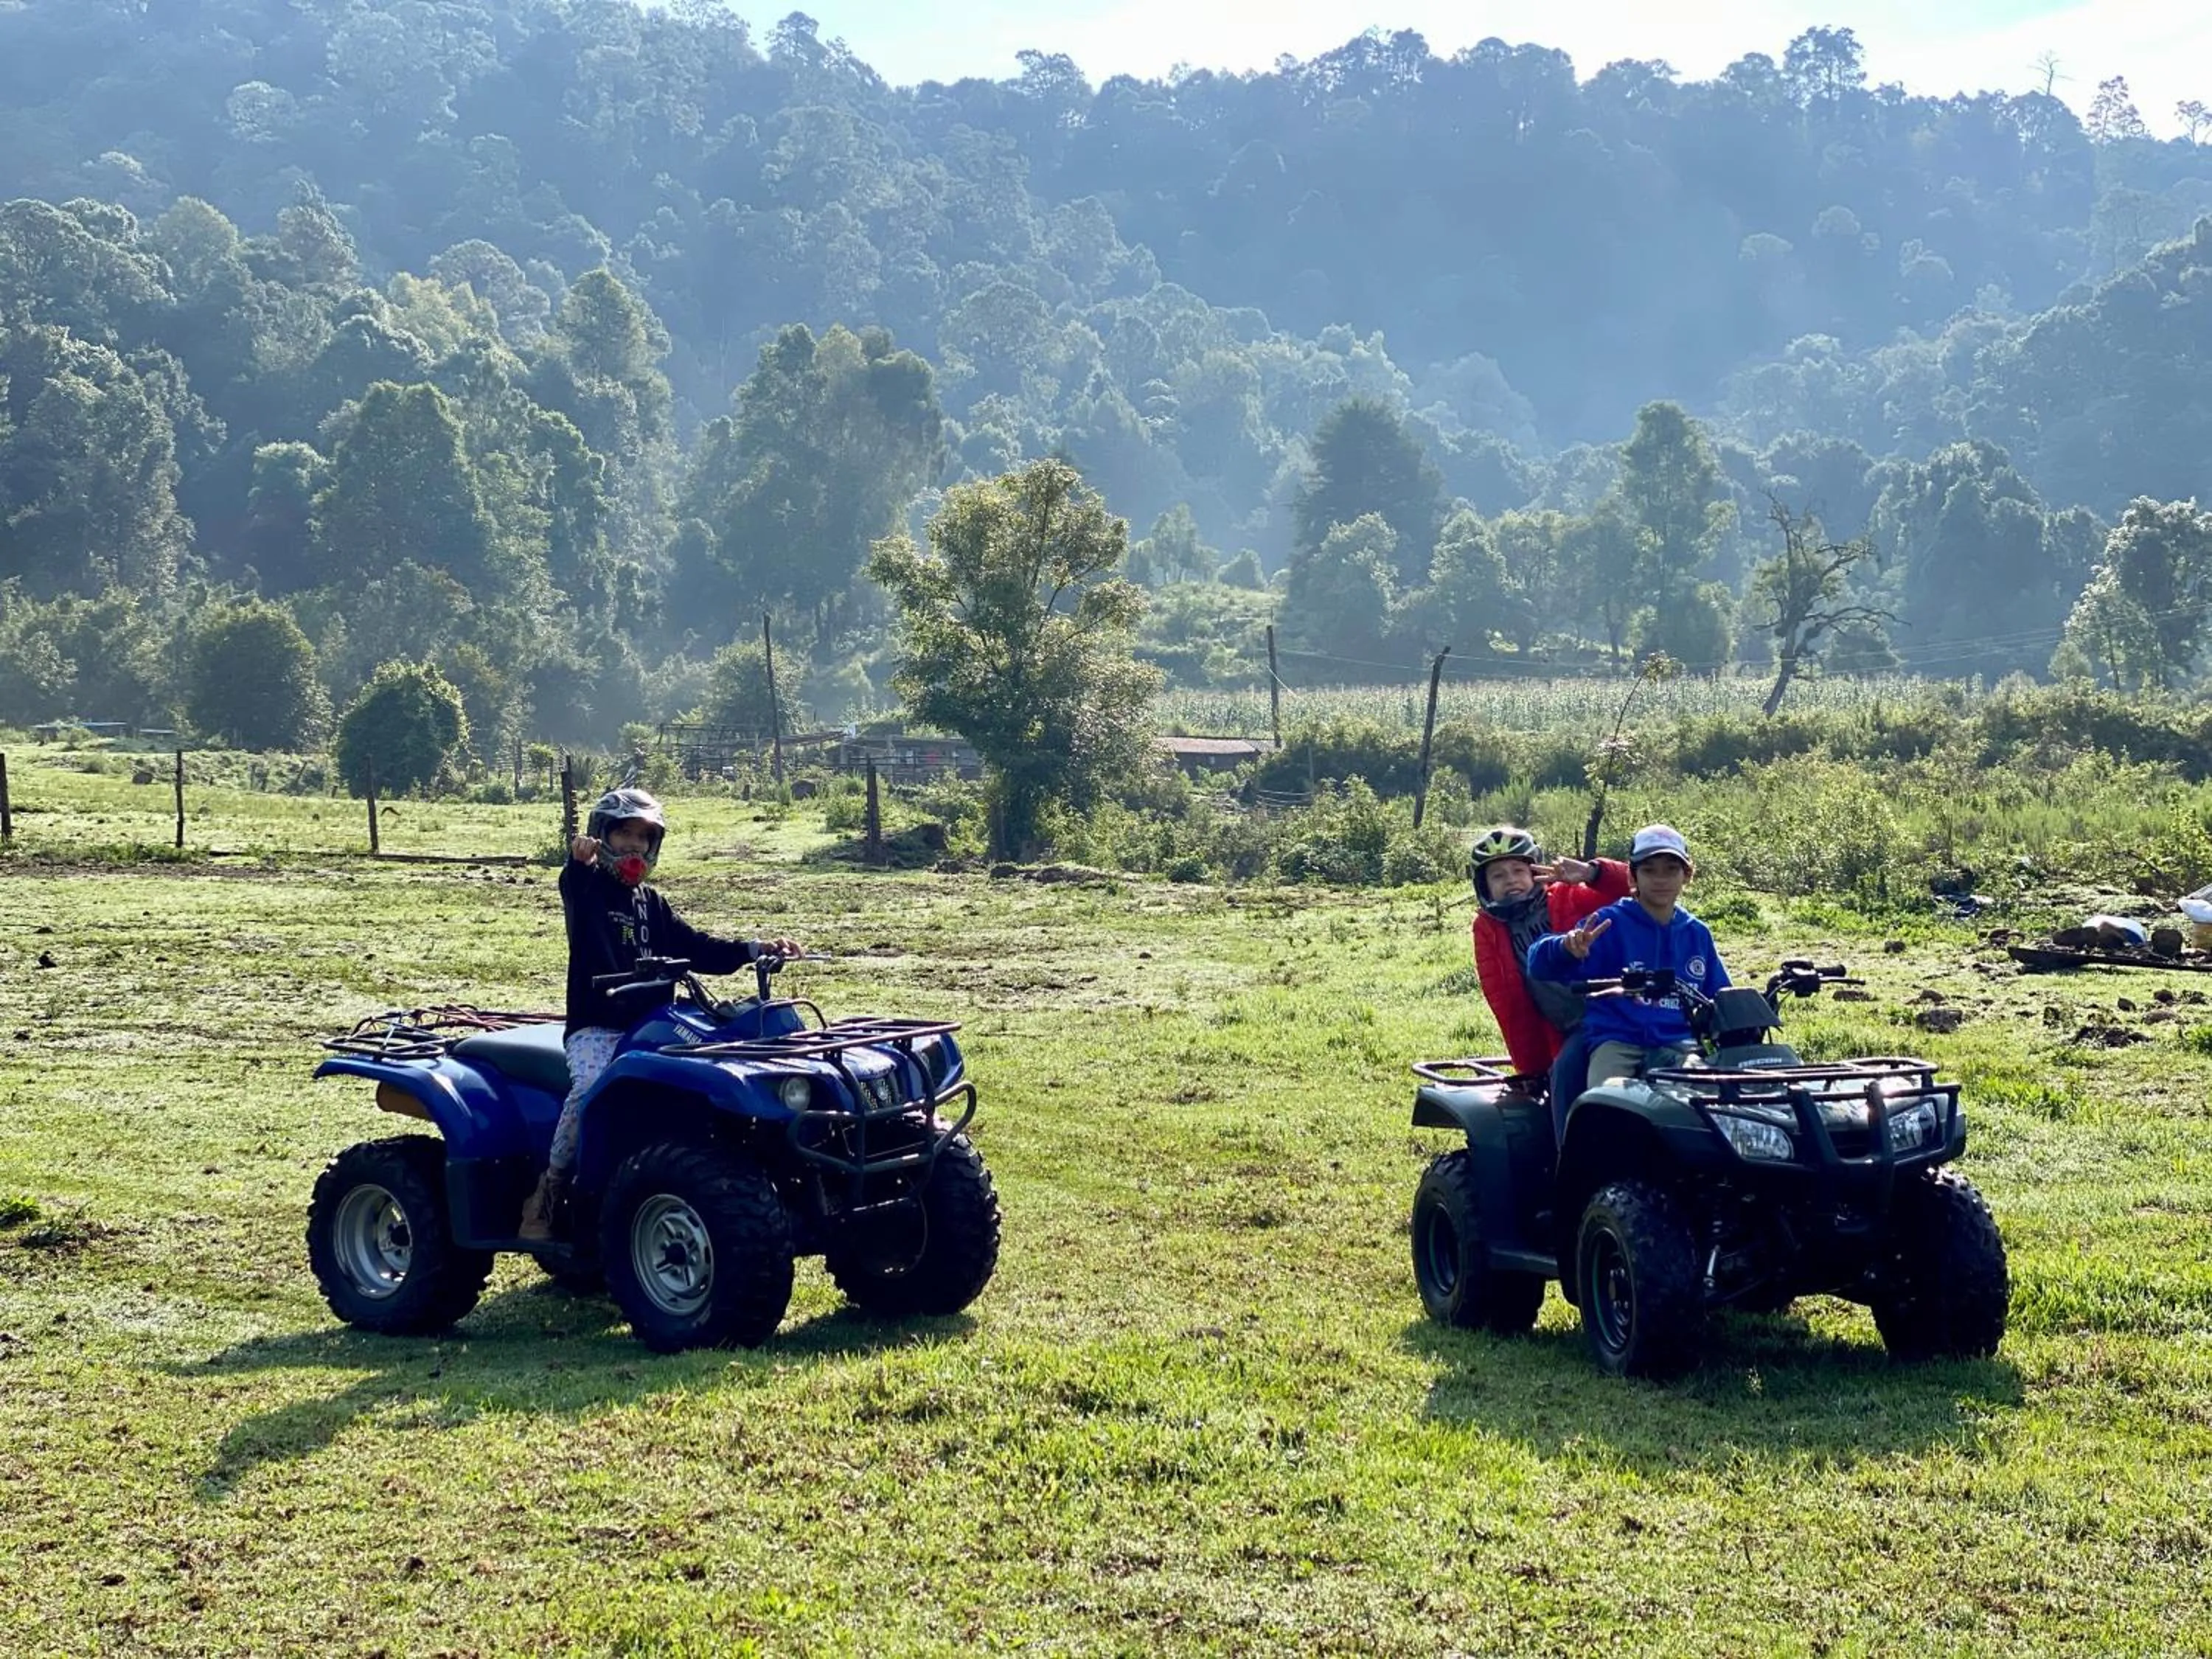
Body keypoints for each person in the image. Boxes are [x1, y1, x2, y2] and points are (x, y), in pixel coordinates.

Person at [518, 787, 802, 1242]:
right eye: (624, 833)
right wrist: (579, 860)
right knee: (590, 1090)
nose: (634, 844)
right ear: (602, 836)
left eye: (644, 837)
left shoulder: (653, 903)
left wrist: (756, 949)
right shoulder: (587, 889)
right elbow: (572, 884)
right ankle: (549, 1191)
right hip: (600, 1030)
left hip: (657, 1029)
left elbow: (697, 947)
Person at [1526, 823, 1731, 1099]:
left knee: (1710, 1099)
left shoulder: (1696, 933)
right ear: (1632, 877)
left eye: (1671, 869)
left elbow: (1720, 995)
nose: (1661, 879)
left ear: (1687, 875)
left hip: (1679, 1044)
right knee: (1605, 1103)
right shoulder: (1610, 923)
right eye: (1649, 870)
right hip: (1617, 1041)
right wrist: (1567, 947)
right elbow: (1537, 961)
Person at [1466, 826, 1632, 1143]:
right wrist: (1531, 1068)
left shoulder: (1568, 898)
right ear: (1484, 886)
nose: (1511, 879)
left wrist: (1593, 873)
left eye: (1519, 870)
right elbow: (1509, 1004)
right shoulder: (1488, 928)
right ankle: (1569, 1166)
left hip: (1615, 1012)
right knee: (1564, 1079)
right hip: (1569, 1031)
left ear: (1536, 873)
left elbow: (1640, 886)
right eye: (1498, 876)